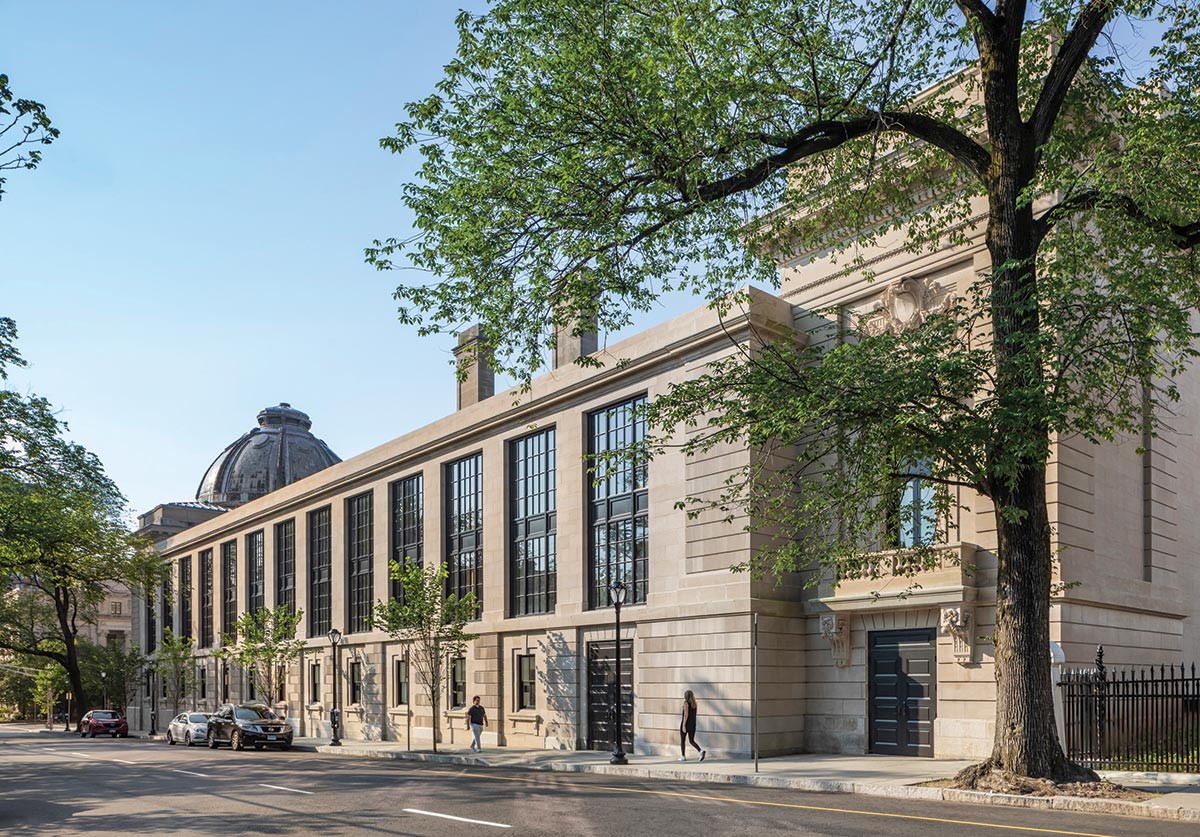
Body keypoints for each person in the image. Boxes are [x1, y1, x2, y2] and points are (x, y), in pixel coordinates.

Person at [678, 689, 705, 762]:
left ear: (685, 696)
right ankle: (700, 751)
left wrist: (683, 725)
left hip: (686, 724)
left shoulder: (686, 703)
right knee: (691, 740)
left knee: (683, 740)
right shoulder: (694, 704)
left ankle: (683, 756)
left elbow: (686, 715)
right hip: (693, 724)